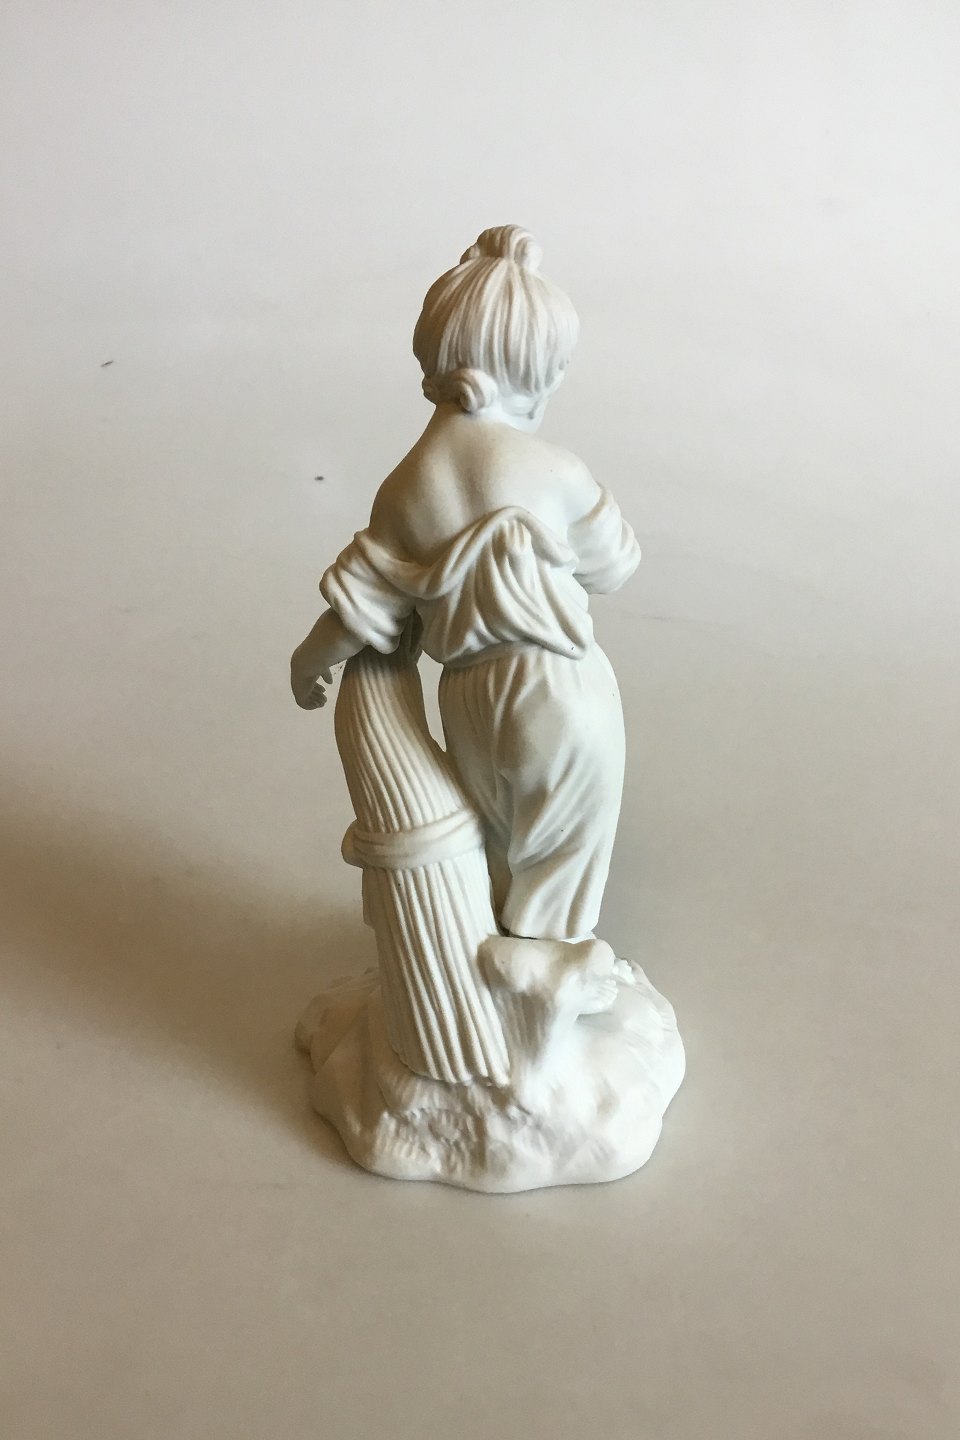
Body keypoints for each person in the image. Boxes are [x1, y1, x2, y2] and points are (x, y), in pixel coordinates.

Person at [291, 225, 640, 946]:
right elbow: (614, 566)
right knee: (563, 850)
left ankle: (497, 967)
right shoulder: (554, 469)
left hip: (469, 696)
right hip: (555, 685)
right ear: (532, 372)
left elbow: (359, 610)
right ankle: (540, 977)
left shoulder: (403, 488)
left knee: (497, 841)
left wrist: (308, 659)